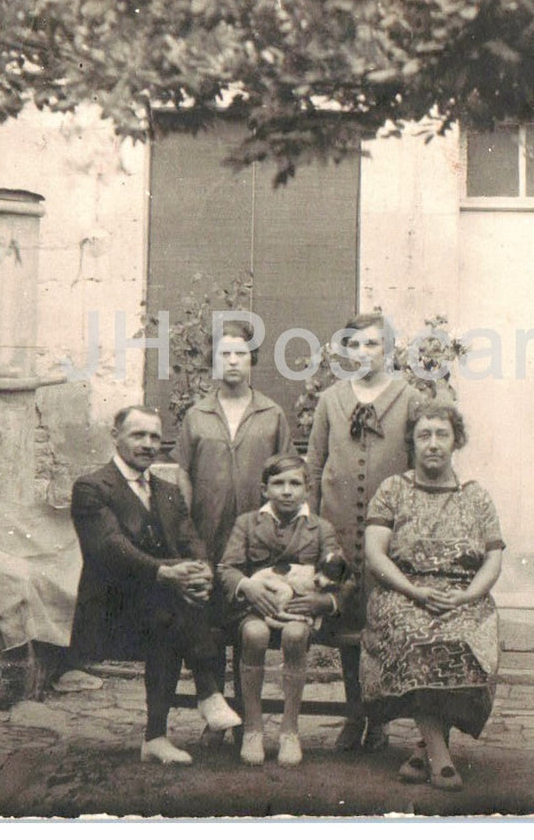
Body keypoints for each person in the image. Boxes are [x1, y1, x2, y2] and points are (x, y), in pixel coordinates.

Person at [69, 405, 243, 764]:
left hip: (164, 609)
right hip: (114, 609)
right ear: (114, 436)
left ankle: (156, 738)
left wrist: (201, 571)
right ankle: (208, 693)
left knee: (178, 607)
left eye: (154, 436)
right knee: (171, 605)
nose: (148, 444)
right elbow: (110, 549)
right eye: (138, 435)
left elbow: (190, 538)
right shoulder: (92, 487)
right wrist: (167, 574)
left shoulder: (166, 491)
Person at [359, 400, 504, 792]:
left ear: (457, 441)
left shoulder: (477, 496)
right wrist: (414, 590)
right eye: (424, 435)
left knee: (461, 639)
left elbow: (493, 558)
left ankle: (424, 746)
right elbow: (375, 554)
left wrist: (466, 597)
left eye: (442, 434)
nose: (433, 443)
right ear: (412, 442)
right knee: (418, 638)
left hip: (462, 596)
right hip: (403, 593)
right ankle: (441, 759)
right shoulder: (393, 490)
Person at [305, 311, 421, 752]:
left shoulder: (408, 399)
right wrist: (312, 526)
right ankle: (354, 714)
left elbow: (416, 466)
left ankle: (381, 718)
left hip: (390, 534)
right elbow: (314, 464)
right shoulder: (330, 399)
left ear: (388, 350)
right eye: (355, 345)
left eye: (373, 345)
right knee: (347, 626)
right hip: (338, 529)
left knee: (384, 625)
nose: (363, 353)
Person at [174, 320, 293, 743]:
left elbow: (286, 476)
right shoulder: (197, 415)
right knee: (207, 626)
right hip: (207, 536)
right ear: (213, 362)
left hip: (255, 542)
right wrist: (187, 534)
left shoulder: (271, 414)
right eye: (224, 354)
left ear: (253, 360)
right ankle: (216, 716)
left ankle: (248, 717)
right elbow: (183, 476)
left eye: (240, 353)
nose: (232, 361)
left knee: (249, 628)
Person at [216, 453, 350, 767]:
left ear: (308, 489)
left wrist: (324, 602)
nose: (286, 491)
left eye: (294, 483)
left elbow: (343, 575)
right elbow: (227, 568)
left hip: (300, 611)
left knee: (294, 635)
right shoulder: (247, 523)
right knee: (254, 633)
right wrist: (247, 586)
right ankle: (253, 727)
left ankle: (290, 729)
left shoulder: (319, 528)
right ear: (265, 489)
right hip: (255, 606)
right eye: (278, 483)